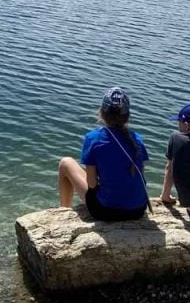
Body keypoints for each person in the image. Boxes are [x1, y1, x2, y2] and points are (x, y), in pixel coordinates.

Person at [57, 87, 151, 221]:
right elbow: (137, 174)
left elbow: (92, 184)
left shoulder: (93, 138)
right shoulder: (137, 140)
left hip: (105, 211)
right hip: (138, 210)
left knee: (65, 163)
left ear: (101, 112)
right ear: (127, 116)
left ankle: (63, 212)